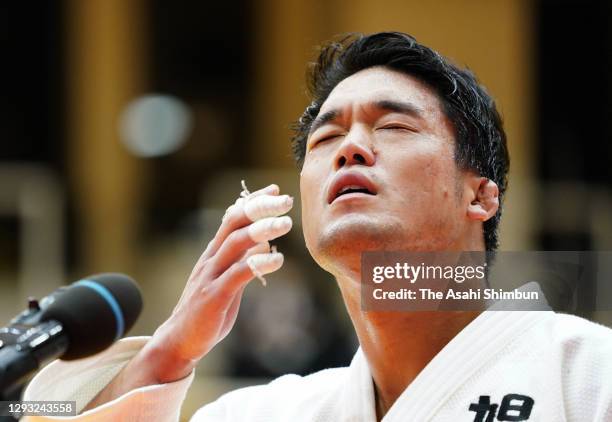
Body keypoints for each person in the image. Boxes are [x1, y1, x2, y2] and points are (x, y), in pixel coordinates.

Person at [24, 32, 612, 421]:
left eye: (395, 127)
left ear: (481, 195)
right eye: (326, 138)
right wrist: (168, 354)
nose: (350, 148)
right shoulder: (261, 415)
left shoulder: (587, 374)